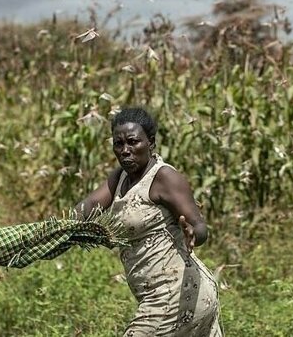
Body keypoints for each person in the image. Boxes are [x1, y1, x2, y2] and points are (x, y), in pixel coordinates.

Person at [75, 107, 222, 336]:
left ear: (150, 143)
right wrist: (57, 228)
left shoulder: (164, 177)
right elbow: (87, 208)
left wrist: (193, 234)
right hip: (156, 295)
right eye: (118, 144)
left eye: (133, 142)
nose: (125, 151)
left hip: (177, 293)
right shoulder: (119, 178)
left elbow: (199, 225)